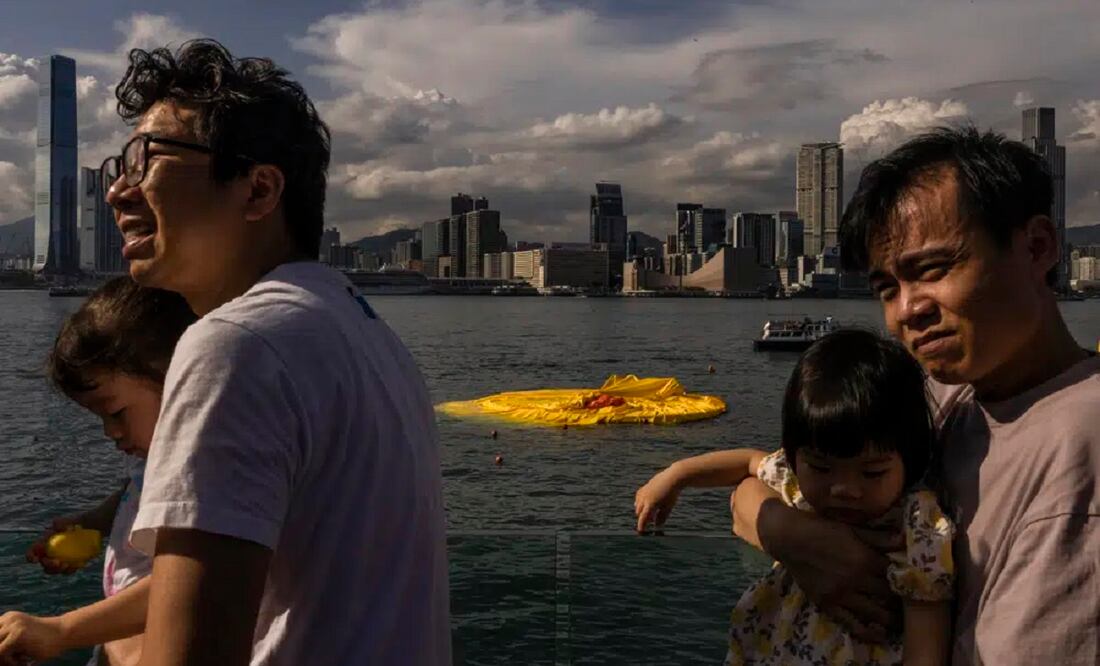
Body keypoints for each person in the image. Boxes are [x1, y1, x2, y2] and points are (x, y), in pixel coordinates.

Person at [101, 40, 451, 664]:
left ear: (259, 190)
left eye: (145, 160)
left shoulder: (235, 345)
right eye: (118, 166)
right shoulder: (364, 331)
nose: (118, 192)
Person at [729, 126, 1098, 665]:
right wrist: (801, 539)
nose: (907, 310)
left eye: (932, 270)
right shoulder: (946, 396)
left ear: (1038, 247)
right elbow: (753, 492)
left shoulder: (1082, 451)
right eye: (887, 288)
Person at [636, 329, 953, 665]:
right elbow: (747, 461)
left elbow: (926, 646)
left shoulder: (917, 525)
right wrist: (675, 476)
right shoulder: (796, 485)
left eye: (872, 473)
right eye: (821, 468)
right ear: (796, 456)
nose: (844, 488)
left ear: (911, 460)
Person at [0, 278, 196, 665]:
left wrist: (61, 630)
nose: (110, 432)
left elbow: (186, 583)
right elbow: (135, 491)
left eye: (117, 412)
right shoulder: (154, 459)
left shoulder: (200, 470)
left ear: (180, 378)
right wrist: (92, 523)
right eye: (100, 418)